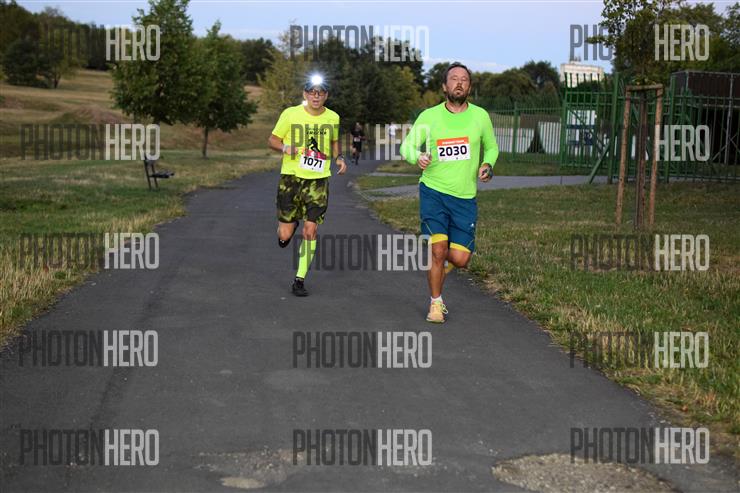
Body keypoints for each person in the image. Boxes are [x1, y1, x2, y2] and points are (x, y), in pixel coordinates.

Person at [400, 62, 498, 323]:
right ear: (444, 86)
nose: (459, 83)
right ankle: (436, 303)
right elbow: (406, 147)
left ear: (470, 87)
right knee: (438, 249)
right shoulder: (429, 116)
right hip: (434, 191)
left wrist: (487, 164)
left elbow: (491, 147)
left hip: (465, 198)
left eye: (464, 79)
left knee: (461, 259)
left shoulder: (480, 116)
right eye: (454, 78)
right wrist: (418, 157)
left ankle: (439, 268)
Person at [268, 74, 347, 296]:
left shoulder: (333, 117)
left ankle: (299, 279)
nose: (316, 96)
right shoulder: (290, 114)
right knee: (285, 235)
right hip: (291, 179)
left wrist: (339, 158)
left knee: (311, 229)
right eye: (312, 92)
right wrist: (285, 148)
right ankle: (290, 225)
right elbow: (272, 140)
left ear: (326, 95)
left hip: (318, 180)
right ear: (305, 94)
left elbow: (334, 141)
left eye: (320, 92)